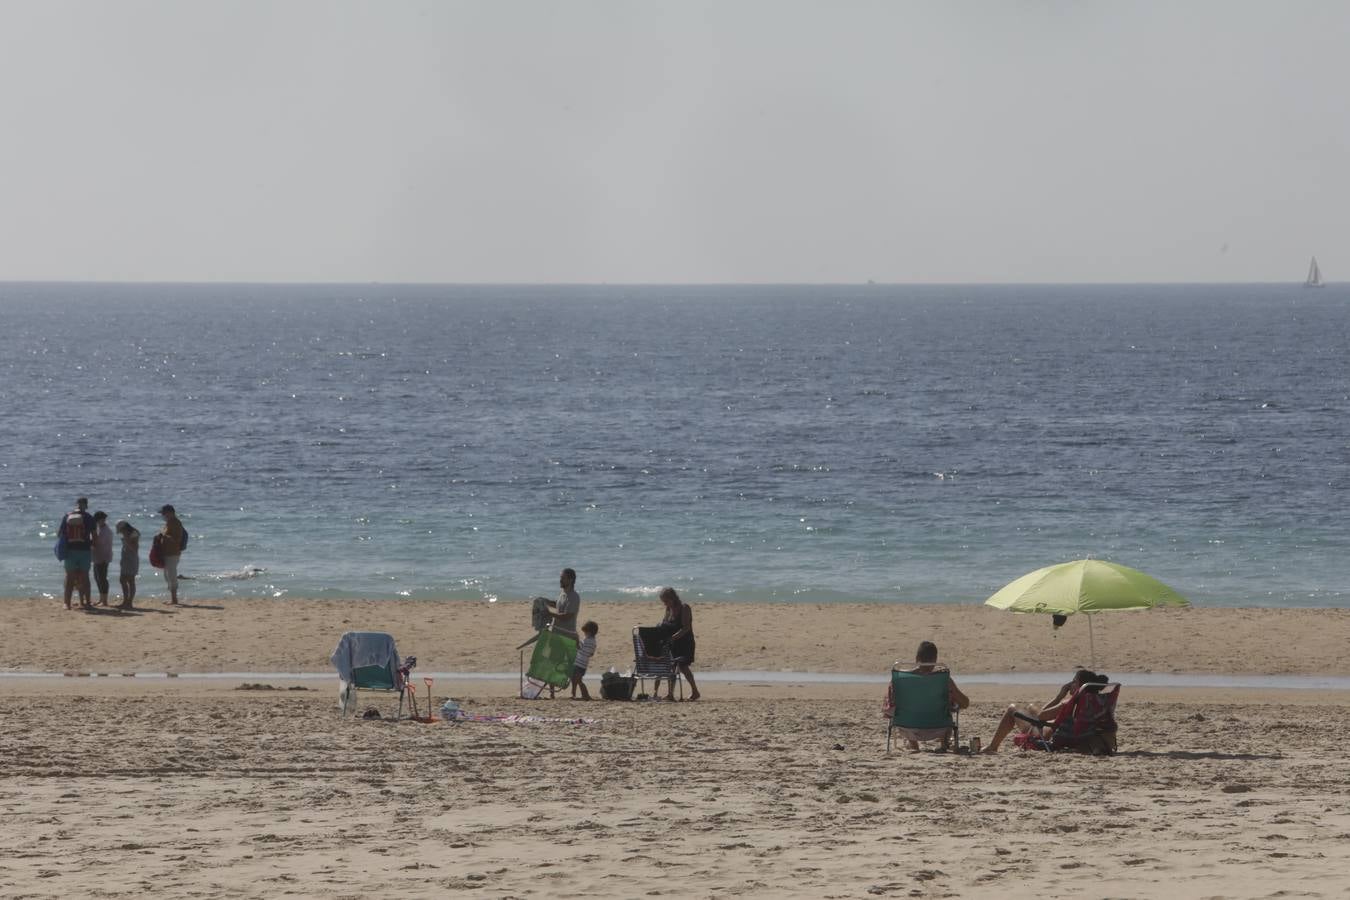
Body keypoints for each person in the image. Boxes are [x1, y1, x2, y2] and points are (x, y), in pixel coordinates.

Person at [982, 668, 1103, 753]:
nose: (1070, 684)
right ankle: (1029, 708)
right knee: (1031, 706)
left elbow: (1040, 717)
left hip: (1046, 734)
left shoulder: (1068, 703)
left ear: (1079, 686)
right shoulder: (1095, 701)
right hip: (1081, 735)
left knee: (1012, 709)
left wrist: (1059, 697)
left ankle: (993, 747)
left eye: (1074, 681)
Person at [883, 640, 969, 750]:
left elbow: (888, 706)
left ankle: (914, 745)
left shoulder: (900, 680)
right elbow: (965, 704)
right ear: (935, 660)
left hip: (907, 727)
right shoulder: (943, 680)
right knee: (947, 707)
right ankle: (944, 744)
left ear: (917, 658)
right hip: (939, 727)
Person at [655, 587, 700, 701]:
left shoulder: (684, 608)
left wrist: (672, 638)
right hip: (672, 643)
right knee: (671, 667)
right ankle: (670, 694)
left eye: (666, 601)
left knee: (683, 666)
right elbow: (664, 623)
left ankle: (695, 691)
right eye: (663, 601)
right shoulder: (668, 609)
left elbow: (686, 628)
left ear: (673, 598)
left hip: (685, 642)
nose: (665, 603)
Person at [57, 497, 96, 610]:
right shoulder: (89, 517)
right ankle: (87, 602)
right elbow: (94, 535)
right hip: (85, 550)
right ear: (86, 505)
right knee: (85, 577)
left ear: (76, 505)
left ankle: (66, 603)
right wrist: (93, 546)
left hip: (70, 551)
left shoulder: (67, 516)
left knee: (69, 577)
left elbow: (60, 534)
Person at [157, 504, 187, 605]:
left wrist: (164, 537)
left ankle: (174, 599)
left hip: (173, 553)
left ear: (170, 512)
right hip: (166, 552)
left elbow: (177, 539)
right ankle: (172, 598)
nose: (163, 515)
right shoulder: (168, 523)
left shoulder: (176, 523)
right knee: (167, 576)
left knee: (171, 575)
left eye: (164, 513)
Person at [546, 567, 580, 635]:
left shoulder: (574, 597)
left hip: (566, 635)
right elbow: (559, 605)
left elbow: (566, 616)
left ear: (570, 580)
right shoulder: (563, 593)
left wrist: (549, 613)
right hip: (556, 632)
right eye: (561, 577)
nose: (560, 580)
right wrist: (546, 602)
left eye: (563, 578)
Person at [571, 621, 599, 700]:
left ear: (589, 632)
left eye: (585, 632)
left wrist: (576, 639)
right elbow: (591, 654)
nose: (585, 634)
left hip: (579, 664)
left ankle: (585, 695)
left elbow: (579, 647)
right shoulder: (593, 642)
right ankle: (574, 694)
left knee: (578, 680)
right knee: (575, 679)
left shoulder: (587, 640)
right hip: (583, 664)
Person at [91, 511, 114, 607]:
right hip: (98, 557)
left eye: (98, 520)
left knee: (102, 578)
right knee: (97, 578)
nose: (96, 522)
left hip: (103, 557)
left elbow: (99, 544)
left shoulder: (105, 531)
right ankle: (101, 599)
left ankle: (104, 601)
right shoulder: (100, 529)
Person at [116, 520, 140, 610]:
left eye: (121, 531)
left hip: (131, 559)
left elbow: (135, 548)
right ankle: (126, 601)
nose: (121, 533)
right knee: (123, 580)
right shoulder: (128, 534)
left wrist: (126, 540)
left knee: (130, 580)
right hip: (126, 559)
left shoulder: (133, 534)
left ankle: (129, 602)